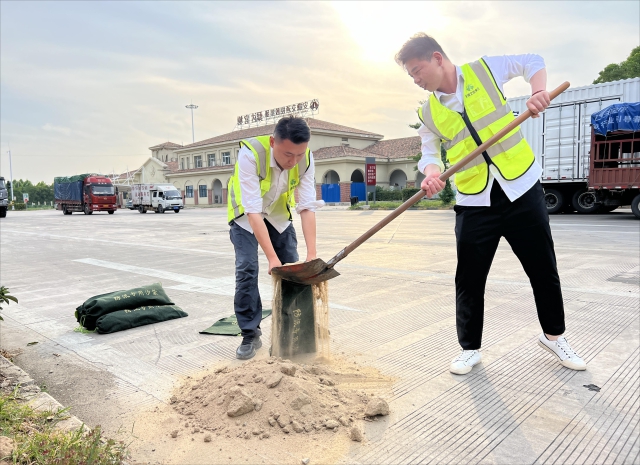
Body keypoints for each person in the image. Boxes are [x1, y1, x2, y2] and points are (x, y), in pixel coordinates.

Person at [395, 33, 586, 375]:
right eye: (411, 75)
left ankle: (554, 337)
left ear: (437, 58)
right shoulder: (428, 112)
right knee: (469, 278)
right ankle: (470, 349)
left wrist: (538, 91)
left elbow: (533, 61)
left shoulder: (484, 70)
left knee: (543, 268)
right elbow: (428, 153)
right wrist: (432, 173)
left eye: (417, 70)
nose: (416, 79)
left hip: (521, 188)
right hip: (474, 200)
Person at [227, 116, 320, 360]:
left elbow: (307, 206)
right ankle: (250, 334)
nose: (294, 161)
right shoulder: (250, 155)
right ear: (272, 142)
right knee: (247, 268)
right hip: (246, 217)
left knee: (292, 265)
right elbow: (253, 210)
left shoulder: (306, 159)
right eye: (288, 154)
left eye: (300, 154)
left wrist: (312, 255)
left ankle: (290, 334)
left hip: (278, 215)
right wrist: (270, 258)